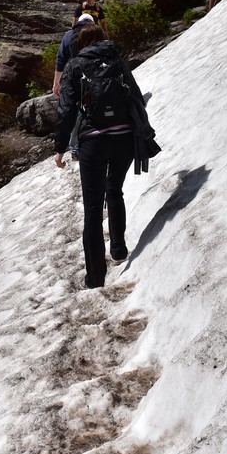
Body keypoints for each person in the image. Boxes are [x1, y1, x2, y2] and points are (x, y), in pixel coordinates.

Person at [54, 24, 158, 289]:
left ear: (81, 43)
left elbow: (66, 110)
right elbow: (136, 97)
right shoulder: (118, 61)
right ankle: (119, 248)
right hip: (124, 139)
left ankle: (95, 277)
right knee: (115, 190)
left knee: (92, 207)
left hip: (93, 142)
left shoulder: (75, 65)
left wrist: (59, 146)